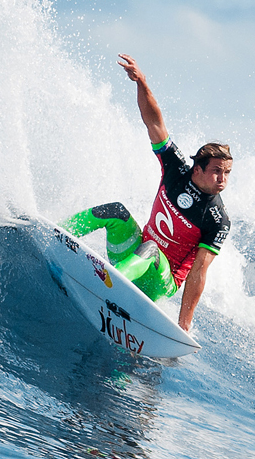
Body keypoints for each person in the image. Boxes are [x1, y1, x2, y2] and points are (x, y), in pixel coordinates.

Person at [61, 54, 232, 332]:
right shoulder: (176, 169)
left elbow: (199, 272)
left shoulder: (216, 218)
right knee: (115, 211)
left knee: (151, 250)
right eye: (217, 171)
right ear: (197, 168)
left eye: (227, 173)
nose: (223, 180)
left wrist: (183, 325)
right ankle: (57, 233)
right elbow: (154, 122)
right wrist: (141, 82)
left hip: (160, 281)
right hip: (133, 254)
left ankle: (111, 285)